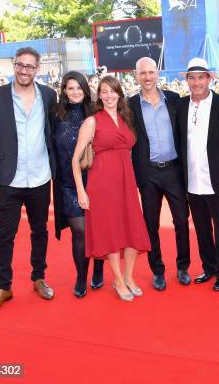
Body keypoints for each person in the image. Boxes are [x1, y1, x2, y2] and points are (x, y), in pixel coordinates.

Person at [0, 47, 57, 315]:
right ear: (14, 66)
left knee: (40, 231)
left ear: (38, 69)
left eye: (30, 66)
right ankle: (4, 287)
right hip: (7, 180)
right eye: (20, 65)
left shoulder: (49, 95)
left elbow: (54, 132)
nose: (24, 70)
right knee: (4, 236)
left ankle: (38, 278)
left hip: (39, 177)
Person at [72, 76, 150, 302]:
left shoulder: (127, 118)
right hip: (102, 185)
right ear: (99, 95)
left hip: (127, 183)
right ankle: (117, 279)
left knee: (133, 228)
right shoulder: (92, 122)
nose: (108, 95)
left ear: (119, 93)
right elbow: (76, 159)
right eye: (103, 92)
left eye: (112, 91)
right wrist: (80, 190)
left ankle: (128, 276)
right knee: (113, 232)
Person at [129, 57, 191, 291]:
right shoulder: (130, 104)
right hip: (148, 173)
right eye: (142, 73)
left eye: (151, 72)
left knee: (182, 221)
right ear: (136, 75)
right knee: (150, 225)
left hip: (174, 170)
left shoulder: (174, 100)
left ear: (158, 73)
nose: (147, 77)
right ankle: (158, 271)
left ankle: (183, 267)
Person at [176, 58, 219, 291]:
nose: (197, 82)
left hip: (217, 177)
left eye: (201, 77)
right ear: (187, 81)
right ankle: (209, 267)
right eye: (192, 77)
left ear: (209, 79)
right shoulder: (180, 106)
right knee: (201, 228)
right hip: (191, 179)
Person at [51, 71, 104, 298]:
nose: (75, 92)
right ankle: (81, 276)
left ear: (86, 89)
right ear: (64, 90)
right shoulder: (55, 114)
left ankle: (99, 270)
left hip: (96, 180)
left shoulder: (95, 112)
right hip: (67, 183)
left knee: (98, 230)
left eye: (79, 88)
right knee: (80, 231)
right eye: (70, 88)